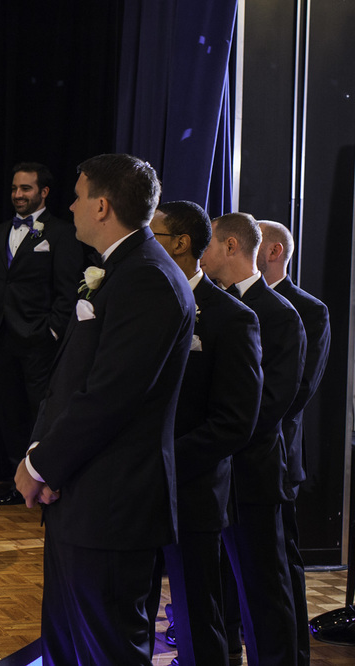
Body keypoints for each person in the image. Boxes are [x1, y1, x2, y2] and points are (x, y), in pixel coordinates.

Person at [14, 153, 194, 664]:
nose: (68, 205)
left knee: (108, 651)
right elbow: (73, 380)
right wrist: (42, 452)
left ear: (101, 205)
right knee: (68, 647)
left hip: (115, 507)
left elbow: (109, 398)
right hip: (85, 498)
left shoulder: (147, 279)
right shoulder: (123, 270)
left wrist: (39, 465)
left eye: (76, 195)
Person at [146, 201, 262, 666]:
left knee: (197, 616)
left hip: (191, 491)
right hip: (134, 490)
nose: (143, 242)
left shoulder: (232, 318)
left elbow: (234, 422)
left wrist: (166, 461)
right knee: (131, 610)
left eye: (152, 235)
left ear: (181, 243)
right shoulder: (139, 302)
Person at [201, 211, 305, 666]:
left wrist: (212, 441)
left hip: (253, 474)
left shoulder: (282, 314)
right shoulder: (210, 307)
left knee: (265, 591)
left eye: (207, 244)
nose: (200, 255)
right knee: (215, 590)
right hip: (212, 473)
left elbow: (275, 402)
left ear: (229, 246)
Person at [0, 162, 84, 506]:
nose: (18, 195)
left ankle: (48, 481)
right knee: (9, 414)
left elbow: (68, 291)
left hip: (39, 341)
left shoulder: (62, 233)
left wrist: (52, 331)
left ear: (44, 192)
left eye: (26, 189)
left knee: (43, 413)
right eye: (15, 189)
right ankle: (17, 482)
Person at [257, 219, 331, 665]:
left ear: (275, 251)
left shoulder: (309, 309)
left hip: (278, 453)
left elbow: (300, 389)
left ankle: (292, 652)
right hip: (234, 456)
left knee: (281, 562)